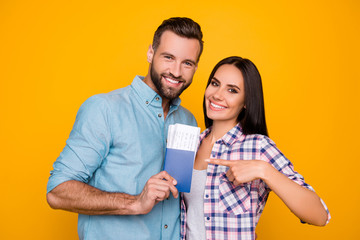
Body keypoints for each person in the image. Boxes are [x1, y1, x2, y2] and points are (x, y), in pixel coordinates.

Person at [46, 17, 204, 240]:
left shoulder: (188, 120)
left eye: (187, 63)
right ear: (150, 53)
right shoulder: (105, 109)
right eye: (168, 57)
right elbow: (57, 192)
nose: (176, 71)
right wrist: (134, 203)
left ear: (196, 67)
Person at [181, 56, 330, 240]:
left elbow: (320, 215)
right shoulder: (190, 143)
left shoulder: (258, 146)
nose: (217, 95)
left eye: (232, 90)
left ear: (246, 102)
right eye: (214, 83)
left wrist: (263, 170)